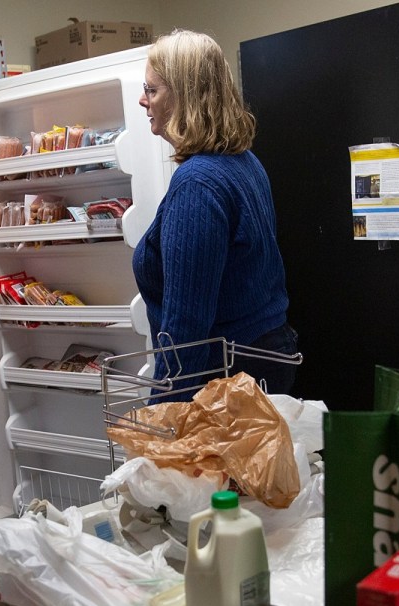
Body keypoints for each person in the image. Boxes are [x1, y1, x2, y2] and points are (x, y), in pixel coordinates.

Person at [133, 29, 299, 399]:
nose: (143, 101)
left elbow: (186, 326)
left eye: (152, 90)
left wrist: (164, 413)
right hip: (267, 356)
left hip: (227, 378)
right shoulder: (243, 162)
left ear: (182, 96)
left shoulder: (197, 183)